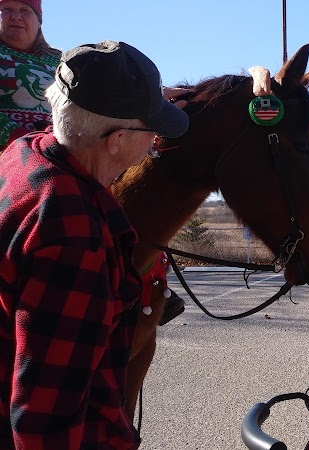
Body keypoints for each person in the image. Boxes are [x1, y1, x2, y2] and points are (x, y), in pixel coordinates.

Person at [0, 40, 189, 449]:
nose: (155, 140)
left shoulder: (23, 153)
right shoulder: (74, 232)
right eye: (151, 129)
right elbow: (45, 419)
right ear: (117, 140)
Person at [0, 0, 60, 151]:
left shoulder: (62, 61)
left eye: (25, 10)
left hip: (56, 150)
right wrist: (18, 137)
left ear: (39, 20)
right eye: (7, 9)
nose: (16, 16)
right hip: (7, 152)